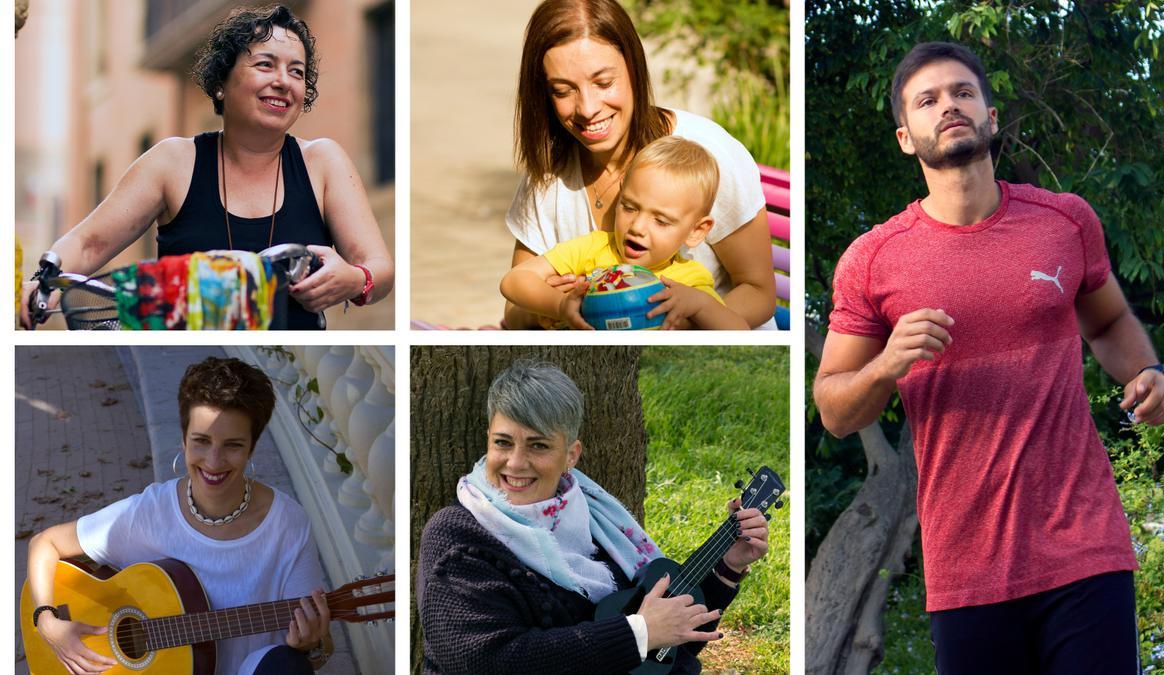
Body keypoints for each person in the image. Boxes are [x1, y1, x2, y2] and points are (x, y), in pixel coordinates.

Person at [812, 42, 1164, 674]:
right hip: (967, 565)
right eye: (927, 100)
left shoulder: (1063, 221)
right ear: (906, 137)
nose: (948, 106)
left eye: (962, 92)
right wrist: (886, 364)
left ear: (991, 114)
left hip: (1084, 547)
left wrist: (1149, 371)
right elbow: (836, 410)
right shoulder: (873, 260)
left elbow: (1110, 319)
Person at [18, 4, 393, 330]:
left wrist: (355, 280)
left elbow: (379, 268)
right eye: (265, 64)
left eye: (297, 72)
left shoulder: (323, 161)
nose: (283, 82)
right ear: (221, 85)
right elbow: (88, 242)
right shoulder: (172, 161)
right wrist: (42, 282)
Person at [416, 361, 770, 673]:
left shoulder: (599, 523)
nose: (516, 462)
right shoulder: (457, 538)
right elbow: (485, 660)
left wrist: (727, 566)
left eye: (538, 445)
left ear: (571, 454)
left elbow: (669, 649)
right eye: (503, 443)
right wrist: (640, 632)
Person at [27, 357, 332, 674]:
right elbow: (44, 543)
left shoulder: (287, 525)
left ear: (252, 447)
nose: (213, 462)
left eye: (233, 445)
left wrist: (309, 643)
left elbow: (319, 646)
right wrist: (48, 621)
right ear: (184, 440)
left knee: (288, 666)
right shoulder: (148, 513)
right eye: (201, 441)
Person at [503, 0, 776, 330]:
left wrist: (684, 324)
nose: (587, 108)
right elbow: (514, 310)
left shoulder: (706, 155)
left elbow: (759, 291)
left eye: (604, 83)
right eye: (563, 90)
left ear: (633, 67)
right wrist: (555, 306)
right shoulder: (548, 179)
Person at [501, 136, 749, 330]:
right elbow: (513, 281)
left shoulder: (688, 282)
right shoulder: (593, 247)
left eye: (661, 221)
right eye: (629, 208)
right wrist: (559, 305)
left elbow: (739, 332)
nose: (637, 228)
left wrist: (700, 306)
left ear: (696, 231)